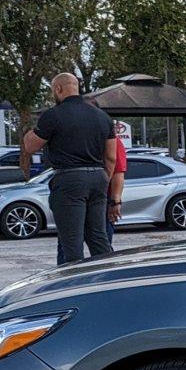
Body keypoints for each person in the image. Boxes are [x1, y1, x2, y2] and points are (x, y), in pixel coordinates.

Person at [21, 73, 122, 265]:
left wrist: (30, 131)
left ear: (58, 89)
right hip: (98, 177)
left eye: (53, 90)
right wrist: (103, 179)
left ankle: (74, 286)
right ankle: (108, 277)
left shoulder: (53, 115)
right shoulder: (102, 117)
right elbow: (111, 156)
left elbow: (30, 146)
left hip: (69, 179)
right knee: (98, 237)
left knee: (72, 242)